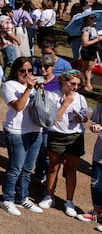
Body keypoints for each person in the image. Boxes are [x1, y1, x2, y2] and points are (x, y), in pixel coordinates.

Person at [0, 57, 45, 216]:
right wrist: (28, 89)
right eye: (23, 70)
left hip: (35, 131)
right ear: (16, 70)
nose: (26, 73)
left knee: (27, 169)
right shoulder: (9, 85)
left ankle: (22, 197)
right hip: (17, 132)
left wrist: (40, 90)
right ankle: (7, 199)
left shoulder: (35, 86)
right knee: (15, 168)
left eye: (30, 70)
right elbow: (18, 107)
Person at [38, 70, 89, 217]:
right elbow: (52, 120)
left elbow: (85, 117)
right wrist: (65, 104)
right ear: (63, 82)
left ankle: (69, 201)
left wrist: (82, 119)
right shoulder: (52, 95)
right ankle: (49, 196)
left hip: (75, 136)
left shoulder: (80, 98)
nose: (75, 87)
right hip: (57, 135)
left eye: (78, 85)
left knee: (71, 169)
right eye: (72, 83)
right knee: (53, 166)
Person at [80, 14, 102, 92]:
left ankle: (85, 84)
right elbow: (85, 43)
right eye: (92, 18)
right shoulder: (86, 30)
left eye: (95, 18)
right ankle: (86, 85)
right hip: (88, 52)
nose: (94, 19)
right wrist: (97, 39)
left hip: (93, 51)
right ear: (87, 20)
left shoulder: (94, 29)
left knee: (88, 69)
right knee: (87, 69)